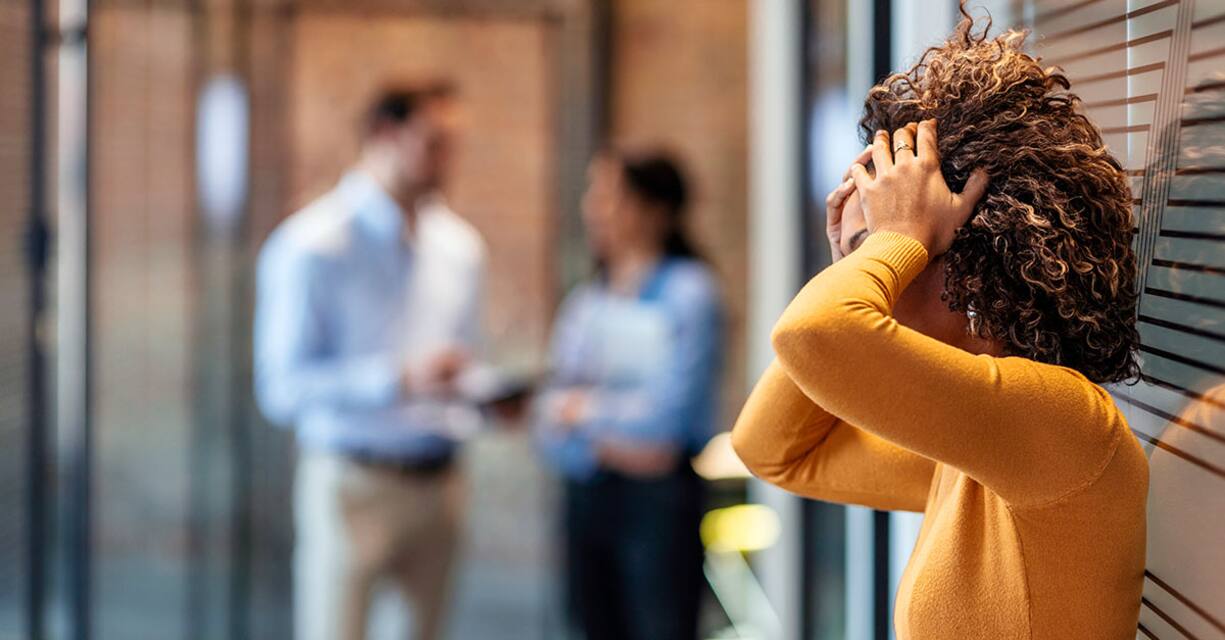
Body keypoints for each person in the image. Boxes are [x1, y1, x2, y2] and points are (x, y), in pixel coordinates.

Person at [731, 15, 1148, 640]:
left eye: (894, 253)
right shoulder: (978, 448)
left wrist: (893, 238)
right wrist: (861, 255)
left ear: (972, 255)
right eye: (864, 262)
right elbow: (773, 449)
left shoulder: (1064, 425)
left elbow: (813, 334)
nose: (877, 280)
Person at [254, 81, 486, 640]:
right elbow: (282, 388)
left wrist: (486, 398)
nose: (445, 160)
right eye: (433, 142)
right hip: (351, 485)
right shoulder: (311, 246)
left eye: (453, 144)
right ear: (384, 135)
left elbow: (465, 362)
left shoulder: (459, 247)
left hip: (440, 484)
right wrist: (396, 379)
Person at [535, 149, 724, 640]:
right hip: (590, 496)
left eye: (609, 196)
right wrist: (617, 436)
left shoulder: (690, 293)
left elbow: (671, 421)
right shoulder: (587, 302)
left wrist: (583, 414)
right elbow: (548, 417)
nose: (593, 209)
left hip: (659, 504)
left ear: (653, 210)